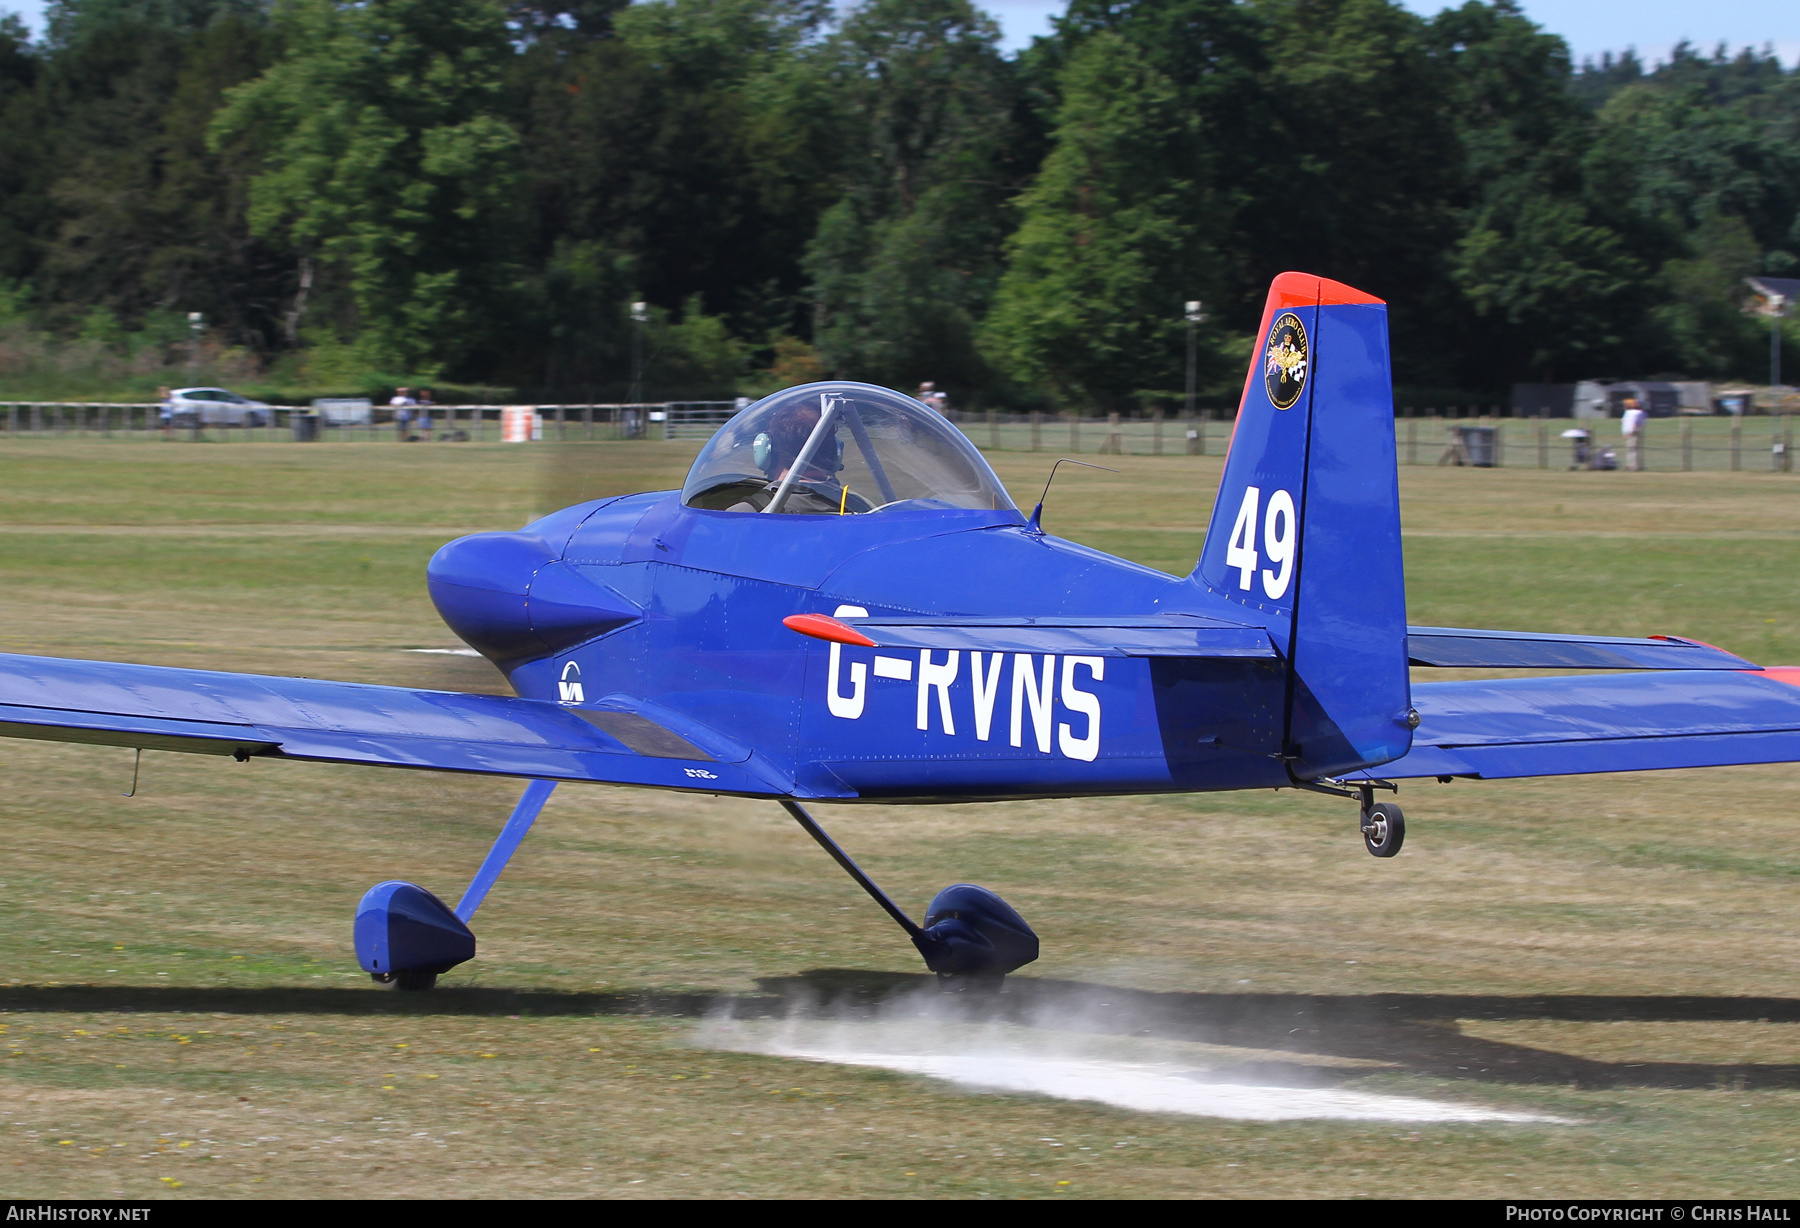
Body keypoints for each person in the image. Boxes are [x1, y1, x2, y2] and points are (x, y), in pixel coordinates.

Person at [1620, 397, 1647, 471]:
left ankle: (1634, 466)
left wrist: (1632, 432)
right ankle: (1629, 465)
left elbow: (1636, 424)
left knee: (1633, 449)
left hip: (1633, 433)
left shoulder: (1637, 413)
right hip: (1628, 433)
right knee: (1630, 449)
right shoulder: (1628, 412)